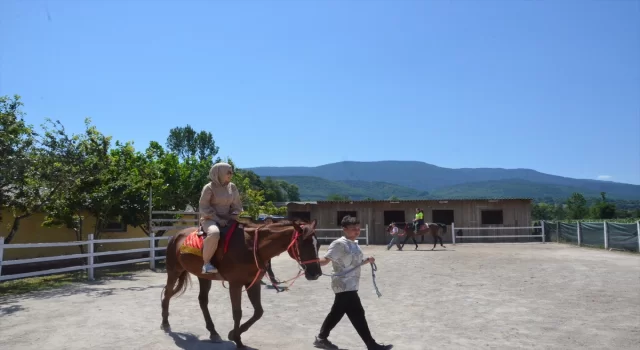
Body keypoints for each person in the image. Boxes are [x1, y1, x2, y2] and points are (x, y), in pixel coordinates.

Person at [313, 215, 393, 350]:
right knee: (357, 313)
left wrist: (367, 260)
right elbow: (326, 261)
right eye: (353, 229)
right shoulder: (339, 244)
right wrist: (309, 262)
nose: (357, 231)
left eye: (358, 228)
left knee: (338, 312)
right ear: (344, 229)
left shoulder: (355, 244)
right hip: (343, 284)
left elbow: (353, 262)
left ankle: (321, 338)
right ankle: (371, 344)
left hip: (352, 284)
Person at [199, 162, 243, 274]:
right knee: (214, 233)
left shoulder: (232, 187)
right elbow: (204, 208)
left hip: (228, 219)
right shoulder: (208, 188)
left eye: (231, 172)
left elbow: (237, 206)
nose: (231, 174)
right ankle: (206, 264)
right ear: (219, 173)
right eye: (228, 172)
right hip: (210, 219)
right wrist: (218, 220)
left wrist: (234, 216)